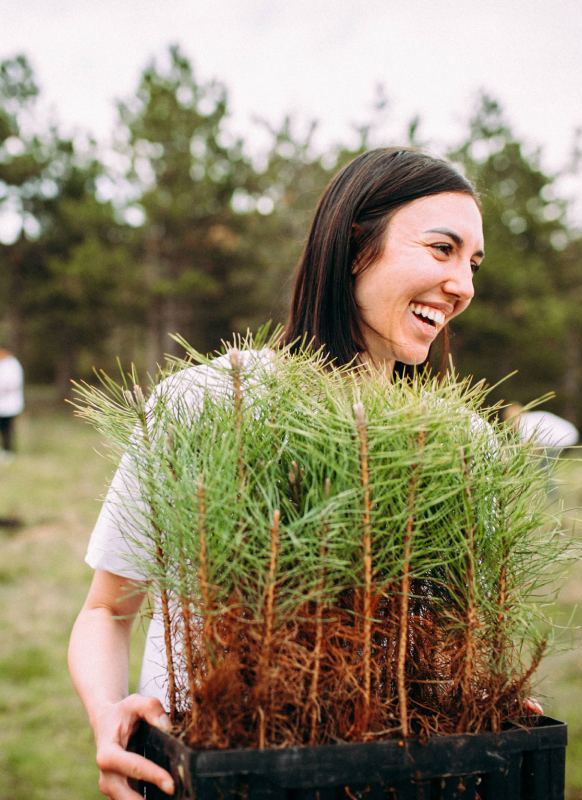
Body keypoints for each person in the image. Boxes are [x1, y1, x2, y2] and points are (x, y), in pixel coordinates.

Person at [68, 148, 486, 799]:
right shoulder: (208, 402)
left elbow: (454, 643)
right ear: (354, 247)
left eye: (472, 263)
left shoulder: (462, 444)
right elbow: (106, 611)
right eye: (442, 249)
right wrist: (106, 721)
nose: (463, 284)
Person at [0, 347, 24, 463]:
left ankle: (8, 451)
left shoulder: (12, 364)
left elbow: (13, 382)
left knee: (7, 429)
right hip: (2, 404)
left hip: (9, 404)